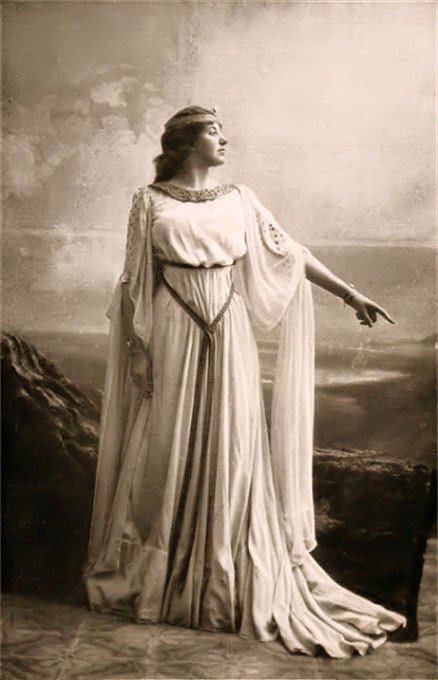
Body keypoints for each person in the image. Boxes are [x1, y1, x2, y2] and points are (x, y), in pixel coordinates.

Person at [83, 106, 406, 658]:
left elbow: (291, 253)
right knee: (167, 445)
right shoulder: (149, 201)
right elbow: (134, 281)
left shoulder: (241, 199)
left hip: (228, 328)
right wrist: (139, 351)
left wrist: (350, 294)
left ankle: (224, 577)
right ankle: (164, 578)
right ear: (187, 142)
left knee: (233, 446)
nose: (224, 139)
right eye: (213, 131)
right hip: (174, 328)